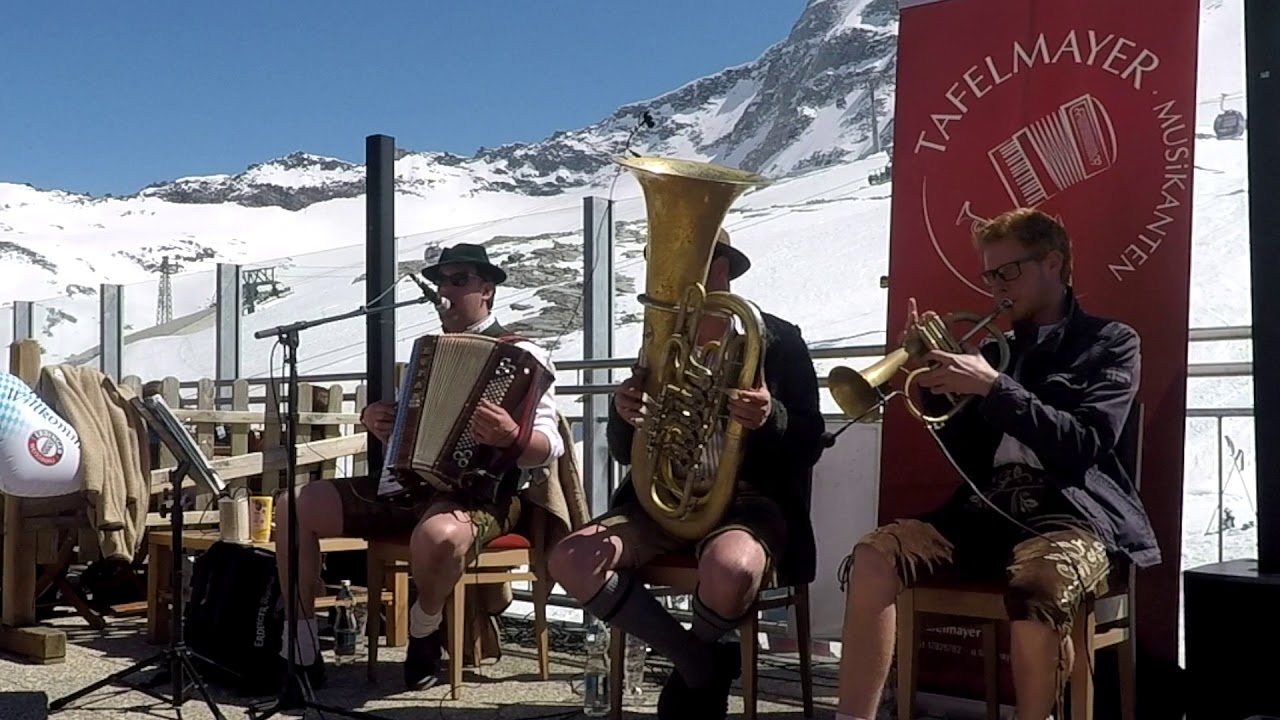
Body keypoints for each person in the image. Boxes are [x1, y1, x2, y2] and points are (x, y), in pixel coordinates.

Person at [834, 208, 1159, 720]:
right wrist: (937, 387)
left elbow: (1085, 445)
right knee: (874, 555)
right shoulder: (994, 349)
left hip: (1069, 512)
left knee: (1037, 589)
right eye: (990, 275)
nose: (996, 289)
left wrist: (992, 387)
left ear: (1053, 263)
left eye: (1008, 272)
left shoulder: (1111, 343)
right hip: (986, 508)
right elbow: (969, 459)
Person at [548, 229, 827, 720]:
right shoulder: (660, 340)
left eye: (692, 261)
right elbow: (621, 450)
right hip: (659, 498)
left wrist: (770, 418)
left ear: (724, 269)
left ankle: (692, 665)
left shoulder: (777, 340)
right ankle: (698, 660)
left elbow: (809, 440)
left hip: (749, 501)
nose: (675, 277)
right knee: (571, 558)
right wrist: (623, 412)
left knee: (733, 568)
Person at [271, 243, 563, 700]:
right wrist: (379, 421)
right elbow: (413, 433)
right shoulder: (428, 354)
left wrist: (512, 436)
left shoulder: (525, 355)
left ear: (486, 290)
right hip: (406, 486)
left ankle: (425, 629)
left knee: (440, 536)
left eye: (459, 279)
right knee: (294, 507)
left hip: (485, 494)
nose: (445, 289)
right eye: (441, 280)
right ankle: (302, 652)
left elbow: (549, 449)